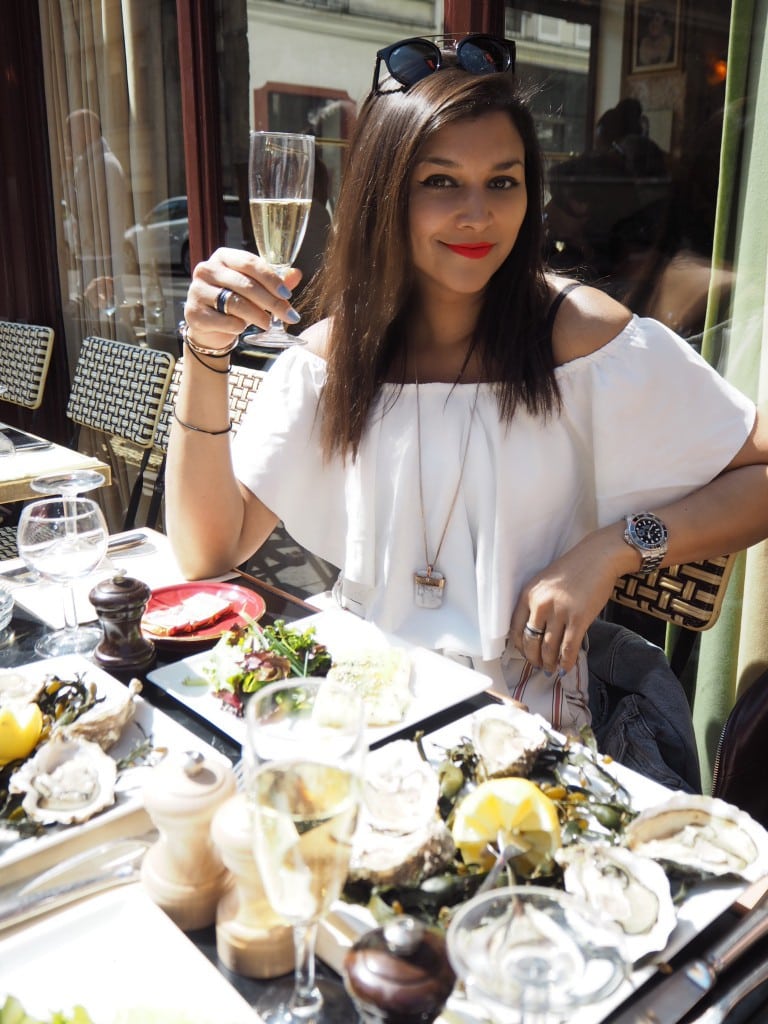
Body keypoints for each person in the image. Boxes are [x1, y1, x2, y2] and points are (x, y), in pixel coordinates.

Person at [167, 36, 768, 752]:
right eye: (442, 182)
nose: (478, 215)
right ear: (387, 194)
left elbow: (758, 473)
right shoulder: (335, 354)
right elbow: (207, 555)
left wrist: (613, 550)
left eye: (503, 181)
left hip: (519, 729)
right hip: (357, 711)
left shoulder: (580, 339)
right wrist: (205, 353)